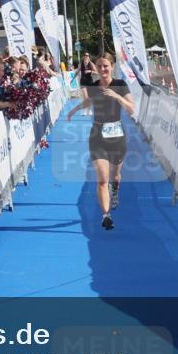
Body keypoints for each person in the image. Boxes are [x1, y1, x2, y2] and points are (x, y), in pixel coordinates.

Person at [66, 54, 136, 231]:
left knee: (115, 177)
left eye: (106, 66)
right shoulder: (94, 87)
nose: (102, 69)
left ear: (112, 66)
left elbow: (131, 109)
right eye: (99, 66)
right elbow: (89, 102)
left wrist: (117, 96)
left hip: (117, 137)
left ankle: (115, 190)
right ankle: (106, 215)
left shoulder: (120, 84)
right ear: (95, 68)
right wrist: (73, 110)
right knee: (103, 179)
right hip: (97, 136)